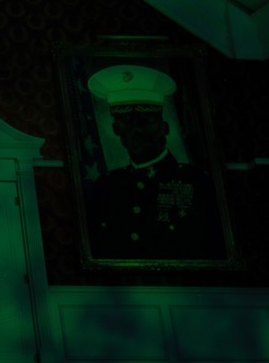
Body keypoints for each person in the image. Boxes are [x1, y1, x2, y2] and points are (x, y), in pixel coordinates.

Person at [85, 65, 225, 260]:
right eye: (127, 121)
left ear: (165, 128)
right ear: (117, 130)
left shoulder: (197, 181)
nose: (137, 128)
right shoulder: (106, 186)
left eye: (146, 119)